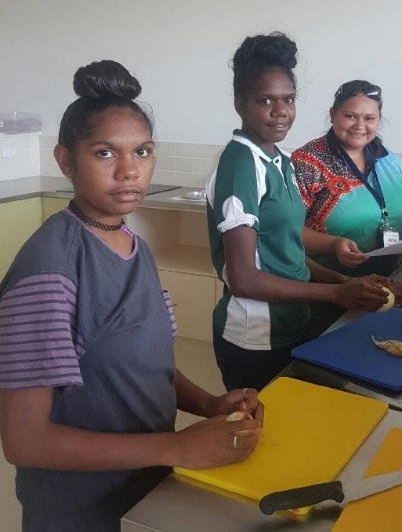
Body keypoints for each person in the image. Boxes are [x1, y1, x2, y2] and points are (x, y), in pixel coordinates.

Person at [0, 60, 263, 532]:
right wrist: (175, 447)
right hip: (79, 510)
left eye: (142, 152)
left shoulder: (131, 245)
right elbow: (24, 441)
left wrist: (208, 404)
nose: (128, 170)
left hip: (144, 493)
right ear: (65, 160)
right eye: (104, 153)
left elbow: (146, 362)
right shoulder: (50, 270)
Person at [206, 34, 390, 393]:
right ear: (240, 104)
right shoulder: (240, 164)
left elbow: (287, 253)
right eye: (266, 101)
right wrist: (335, 296)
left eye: (288, 99)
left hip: (291, 324)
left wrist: (342, 283)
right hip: (255, 339)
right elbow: (244, 278)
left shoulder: (280, 160)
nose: (281, 111)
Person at [291, 79, 402, 326]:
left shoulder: (386, 157)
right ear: (333, 115)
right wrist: (333, 245)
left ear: (379, 120)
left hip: (387, 285)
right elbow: (286, 231)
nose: (360, 126)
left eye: (369, 118)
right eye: (350, 116)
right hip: (331, 290)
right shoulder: (307, 163)